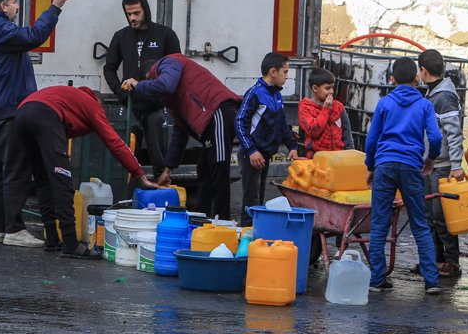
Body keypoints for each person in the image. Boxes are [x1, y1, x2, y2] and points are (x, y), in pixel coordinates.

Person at [0, 0, 73, 247]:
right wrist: (55, 6)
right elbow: (35, 35)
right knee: (15, 170)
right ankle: (14, 228)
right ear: (3, 6)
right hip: (7, 110)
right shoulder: (1, 30)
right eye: (13, 2)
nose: (17, 6)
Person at [3, 85, 159, 258]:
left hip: (22, 112)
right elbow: (115, 142)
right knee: (62, 180)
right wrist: (139, 174)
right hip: (45, 115)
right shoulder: (92, 105)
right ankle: (71, 243)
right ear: (98, 103)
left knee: (42, 180)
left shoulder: (68, 98)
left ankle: (51, 239)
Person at [364, 57, 443, 294]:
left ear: (392, 79)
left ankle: (377, 279)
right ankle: (431, 282)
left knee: (379, 224)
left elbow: (372, 140)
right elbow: (436, 138)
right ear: (417, 78)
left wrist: (371, 166)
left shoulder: (385, 103)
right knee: (420, 224)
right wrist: (430, 159)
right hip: (411, 166)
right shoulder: (424, 105)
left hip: (385, 166)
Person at [129, 54, 241, 219]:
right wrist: (167, 170)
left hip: (218, 111)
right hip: (211, 120)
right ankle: (200, 220)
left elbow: (165, 85)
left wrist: (138, 85)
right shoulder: (173, 99)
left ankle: (223, 222)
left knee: (218, 170)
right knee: (204, 171)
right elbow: (179, 133)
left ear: (149, 76)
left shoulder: (169, 62)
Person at [103, 0, 181, 173]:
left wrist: (165, 93)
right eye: (129, 14)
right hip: (130, 107)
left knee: (160, 159)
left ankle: (161, 189)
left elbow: (177, 68)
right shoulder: (121, 37)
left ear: (145, 9)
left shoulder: (165, 35)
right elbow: (109, 68)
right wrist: (120, 92)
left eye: (137, 13)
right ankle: (128, 194)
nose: (133, 18)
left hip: (156, 107)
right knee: (128, 157)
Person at [416, 49, 465, 278]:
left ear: (423, 71)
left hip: (443, 166)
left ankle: (452, 262)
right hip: (430, 165)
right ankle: (434, 260)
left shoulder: (444, 96)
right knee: (429, 216)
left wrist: (456, 165)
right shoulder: (432, 93)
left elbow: (454, 133)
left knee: (442, 216)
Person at [235, 52, 299, 225]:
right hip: (253, 155)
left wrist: (292, 145)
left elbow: (281, 123)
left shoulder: (276, 94)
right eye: (285, 72)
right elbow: (240, 122)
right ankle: (247, 237)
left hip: (264, 155)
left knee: (259, 199)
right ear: (273, 72)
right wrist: (251, 150)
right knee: (250, 201)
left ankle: (257, 236)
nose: (287, 77)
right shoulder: (255, 93)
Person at [297, 68, 349, 158]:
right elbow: (313, 131)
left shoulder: (339, 107)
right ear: (315, 88)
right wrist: (326, 109)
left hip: (338, 157)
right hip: (316, 157)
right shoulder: (305, 108)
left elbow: (347, 135)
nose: (332, 91)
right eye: (327, 88)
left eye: (332, 87)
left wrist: (350, 154)